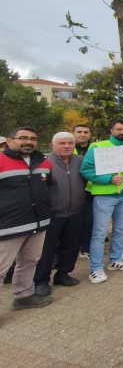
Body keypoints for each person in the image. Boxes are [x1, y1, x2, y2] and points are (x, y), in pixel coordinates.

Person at [80, 119, 123, 283]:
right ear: (111, 130)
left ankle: (115, 260)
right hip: (104, 196)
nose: (122, 132)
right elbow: (86, 170)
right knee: (100, 233)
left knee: (120, 230)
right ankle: (95, 268)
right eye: (119, 129)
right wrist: (109, 179)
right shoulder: (98, 147)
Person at [0, 127, 53, 310]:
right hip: (7, 226)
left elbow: (48, 188)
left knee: (29, 261)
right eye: (23, 138)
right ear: (9, 141)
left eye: (32, 138)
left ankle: (23, 296)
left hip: (38, 223)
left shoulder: (44, 163)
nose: (28, 142)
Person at [33, 132, 85, 296]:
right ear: (52, 145)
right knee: (47, 250)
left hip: (75, 211)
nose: (67, 146)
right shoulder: (44, 163)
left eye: (70, 143)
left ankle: (63, 274)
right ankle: (41, 281)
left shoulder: (80, 161)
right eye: (62, 143)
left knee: (71, 246)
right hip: (53, 214)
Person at [74, 123, 94, 259]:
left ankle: (85, 248)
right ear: (73, 133)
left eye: (86, 132)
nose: (82, 134)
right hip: (73, 190)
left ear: (90, 134)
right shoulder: (68, 148)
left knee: (89, 221)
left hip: (91, 190)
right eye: (79, 132)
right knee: (73, 221)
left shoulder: (95, 148)